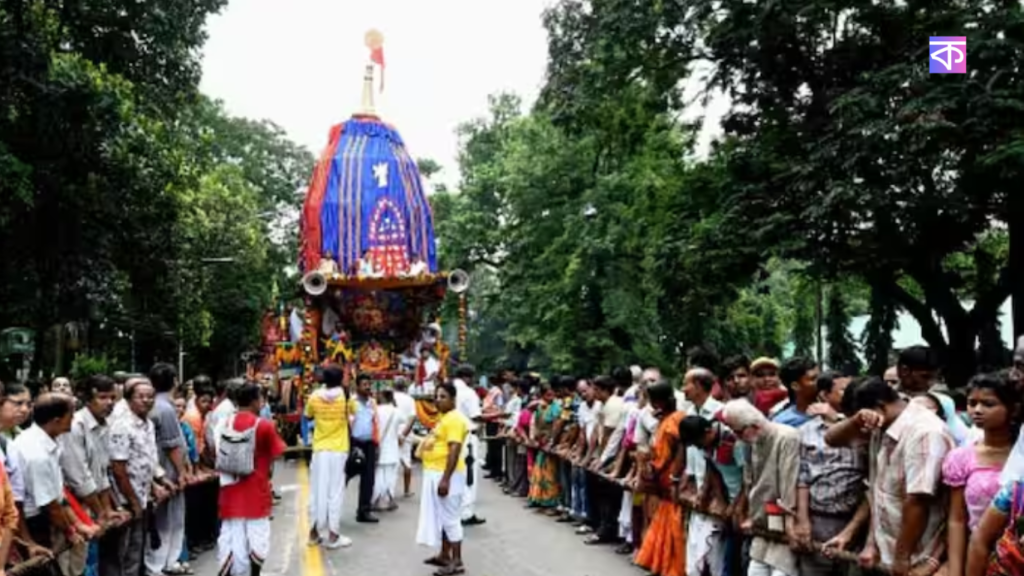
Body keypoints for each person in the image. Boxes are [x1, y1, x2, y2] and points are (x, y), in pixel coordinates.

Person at [826, 377, 953, 576]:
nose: (862, 430)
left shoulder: (925, 433)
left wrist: (901, 558)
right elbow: (831, 439)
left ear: (880, 407)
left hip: (919, 558)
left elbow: (917, 502)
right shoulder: (884, 424)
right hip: (887, 554)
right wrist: (871, 544)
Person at [792, 373, 868, 576]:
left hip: (856, 519)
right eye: (843, 390)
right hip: (818, 519)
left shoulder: (866, 429)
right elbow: (802, 478)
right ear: (824, 395)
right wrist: (802, 520)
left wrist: (840, 420)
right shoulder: (805, 432)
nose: (852, 394)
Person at [944, 372, 1017, 576]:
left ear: (1013, 408)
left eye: (988, 404)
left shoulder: (1019, 457)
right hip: (978, 557)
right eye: (972, 403)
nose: (977, 410)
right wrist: (955, 571)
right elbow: (957, 520)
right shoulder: (961, 458)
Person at [720, 399, 799, 576]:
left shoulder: (786, 437)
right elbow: (751, 482)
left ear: (754, 426)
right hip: (761, 522)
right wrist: (752, 516)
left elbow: (787, 487)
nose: (737, 437)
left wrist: (786, 525)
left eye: (739, 431)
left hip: (783, 522)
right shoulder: (751, 442)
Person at [217, 382, 286, 576]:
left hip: (230, 490)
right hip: (256, 491)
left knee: (232, 538)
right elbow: (278, 452)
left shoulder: (224, 422)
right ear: (255, 401)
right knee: (257, 539)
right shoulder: (263, 425)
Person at [634, 382, 687, 576]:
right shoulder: (668, 418)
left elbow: (676, 450)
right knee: (661, 517)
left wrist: (656, 468)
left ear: (658, 401)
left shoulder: (675, 420)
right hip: (662, 475)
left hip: (668, 475)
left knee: (672, 521)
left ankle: (671, 566)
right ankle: (661, 563)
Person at [417, 382, 469, 576]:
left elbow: (454, 449)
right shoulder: (444, 418)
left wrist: (446, 479)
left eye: (443, 397)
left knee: (451, 518)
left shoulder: (454, 419)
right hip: (435, 471)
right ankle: (444, 555)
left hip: (446, 474)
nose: (438, 400)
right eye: (436, 397)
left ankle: (457, 561)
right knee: (443, 517)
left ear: (453, 399)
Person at [146, 363, 191, 576]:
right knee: (167, 520)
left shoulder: (157, 405)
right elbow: (172, 445)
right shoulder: (165, 408)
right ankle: (160, 564)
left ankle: (167, 562)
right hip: (167, 472)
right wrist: (182, 472)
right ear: (174, 381)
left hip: (161, 471)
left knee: (168, 519)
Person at [304, 364, 352, 548]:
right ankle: (333, 536)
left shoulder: (314, 396)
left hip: (320, 449)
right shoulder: (345, 396)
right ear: (340, 379)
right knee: (335, 492)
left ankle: (313, 533)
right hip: (339, 449)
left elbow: (308, 416)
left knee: (317, 491)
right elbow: (352, 418)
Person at [452, 365, 485, 526]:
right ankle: (466, 513)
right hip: (467, 437)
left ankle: (455, 509)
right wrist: (497, 415)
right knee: (469, 476)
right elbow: (476, 416)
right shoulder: (468, 393)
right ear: (468, 377)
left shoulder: (448, 389)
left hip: (452, 436)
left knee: (456, 473)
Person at [349, 374, 380, 523]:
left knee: (368, 478)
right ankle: (331, 507)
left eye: (369, 384)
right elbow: (347, 423)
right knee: (345, 475)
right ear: (357, 387)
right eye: (364, 385)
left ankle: (364, 511)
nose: (367, 387)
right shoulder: (351, 403)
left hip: (370, 444)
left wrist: (377, 443)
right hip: (355, 443)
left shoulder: (372, 402)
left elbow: (376, 422)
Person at [372, 389, 400, 512]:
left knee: (379, 475)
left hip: (378, 447)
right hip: (392, 448)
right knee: (390, 476)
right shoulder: (396, 411)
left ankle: (376, 500)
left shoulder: (376, 410)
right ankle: (388, 500)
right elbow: (406, 420)